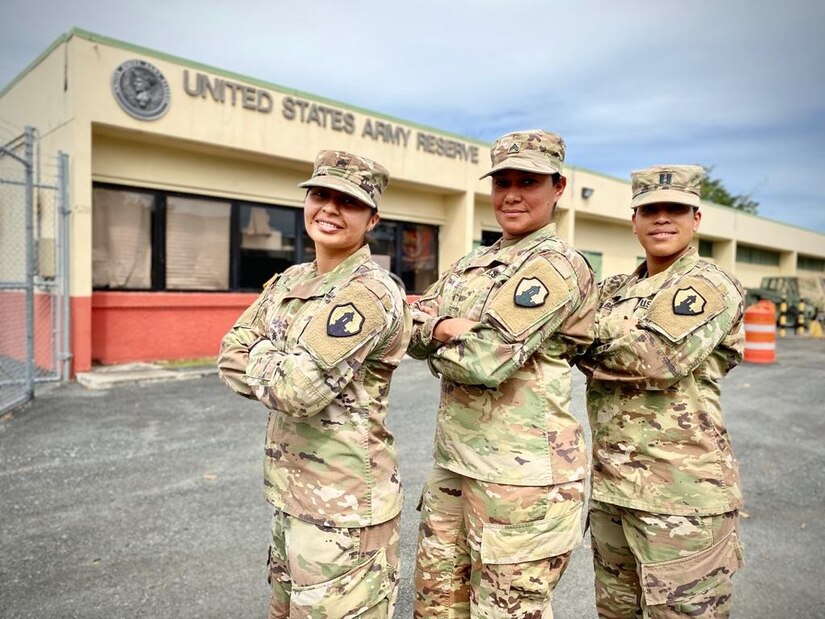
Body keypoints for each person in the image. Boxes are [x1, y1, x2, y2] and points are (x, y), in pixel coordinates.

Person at [407, 130, 598, 618]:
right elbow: (403, 329)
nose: (511, 194)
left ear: (558, 187)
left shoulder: (557, 266)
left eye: (528, 181)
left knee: (506, 611)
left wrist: (438, 335)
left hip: (521, 480)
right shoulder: (472, 264)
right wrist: (448, 326)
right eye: (502, 181)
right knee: (436, 605)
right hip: (455, 464)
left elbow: (483, 361)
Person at [217, 150, 411, 618]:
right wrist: (281, 362)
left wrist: (265, 355)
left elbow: (298, 392)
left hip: (344, 511)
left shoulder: (368, 291)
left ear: (372, 219)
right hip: (292, 497)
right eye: (320, 194)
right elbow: (228, 354)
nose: (328, 208)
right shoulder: (290, 280)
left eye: (347, 200)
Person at [577, 165, 745, 618]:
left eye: (675, 209)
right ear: (634, 220)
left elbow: (654, 358)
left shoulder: (709, 284)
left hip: (682, 498)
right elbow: (562, 330)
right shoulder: (616, 290)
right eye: (650, 209)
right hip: (614, 489)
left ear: (696, 218)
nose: (662, 219)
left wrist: (583, 347)